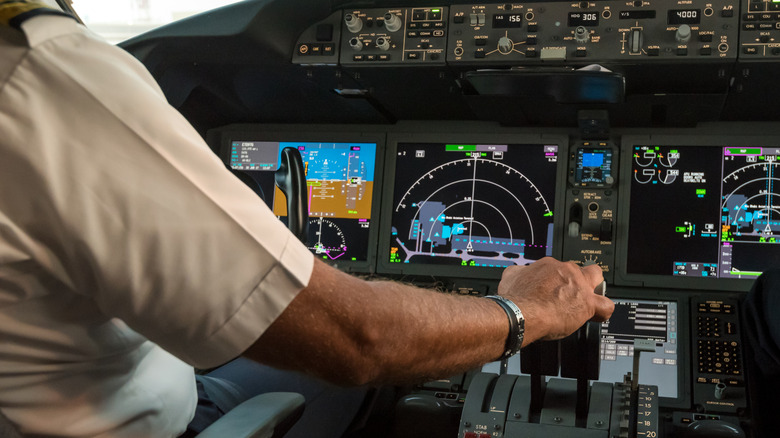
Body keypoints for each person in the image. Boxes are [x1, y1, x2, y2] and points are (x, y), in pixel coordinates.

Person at [0, 2, 615, 437]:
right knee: (364, 374)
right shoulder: (42, 71)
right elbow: (361, 340)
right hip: (154, 425)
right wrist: (529, 311)